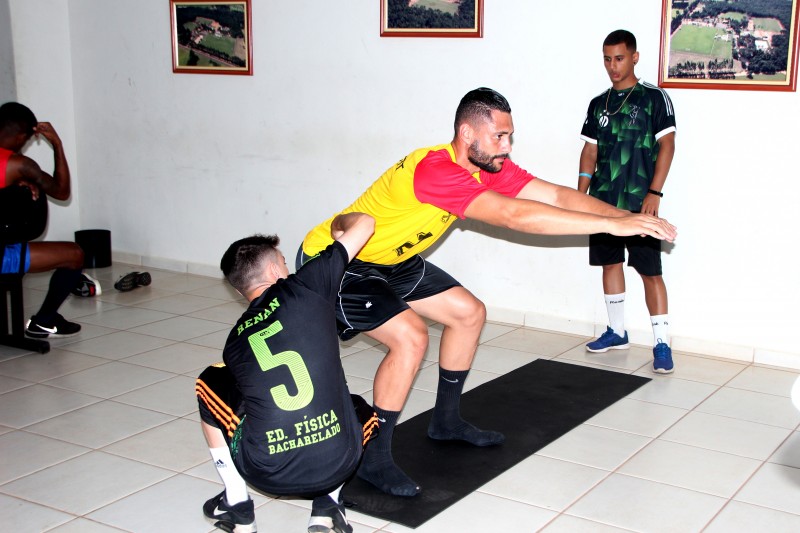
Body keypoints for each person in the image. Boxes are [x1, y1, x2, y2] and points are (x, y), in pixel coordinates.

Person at [299, 87, 677, 497]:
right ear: (467, 133)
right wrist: (612, 227)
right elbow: (514, 216)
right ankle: (373, 459)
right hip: (342, 261)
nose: (508, 147)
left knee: (468, 313)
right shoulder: (436, 170)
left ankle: (445, 422)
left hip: (391, 259)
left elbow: (555, 195)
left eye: (509, 136)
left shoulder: (489, 167)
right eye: (500, 136)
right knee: (411, 337)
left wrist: (627, 216)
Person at [196, 212, 378, 533]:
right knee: (359, 408)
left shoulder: (235, 340)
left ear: (241, 291)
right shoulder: (306, 286)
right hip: (340, 463)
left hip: (265, 473)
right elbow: (365, 222)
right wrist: (339, 226)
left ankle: (238, 506)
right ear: (273, 270)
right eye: (283, 260)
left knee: (210, 382)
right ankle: (326, 508)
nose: (288, 267)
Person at [578, 30, 677, 374]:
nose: (612, 66)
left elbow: (668, 146)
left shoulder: (654, 99)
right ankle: (617, 331)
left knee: (650, 272)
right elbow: (589, 150)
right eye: (607, 59)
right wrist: (580, 194)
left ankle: (662, 344)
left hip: (640, 202)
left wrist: (655, 192)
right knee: (610, 264)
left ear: (634, 57)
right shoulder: (597, 103)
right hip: (603, 203)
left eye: (619, 58)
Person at [0, 102, 91, 338]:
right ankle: (43, 321)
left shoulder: (15, 169)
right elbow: (62, 191)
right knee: (74, 255)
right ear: (21, 136)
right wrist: (57, 145)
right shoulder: (18, 165)